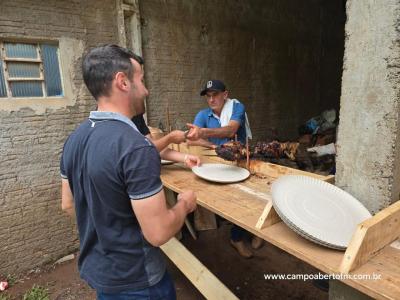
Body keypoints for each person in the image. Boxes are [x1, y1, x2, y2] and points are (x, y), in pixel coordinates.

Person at [60, 44, 197, 299]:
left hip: (102, 275)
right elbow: (158, 233)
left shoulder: (74, 140)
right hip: (139, 282)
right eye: (141, 80)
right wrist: (184, 204)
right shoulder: (136, 147)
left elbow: (68, 204)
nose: (146, 90)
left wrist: (107, 229)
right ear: (123, 82)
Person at [186, 79, 263, 258]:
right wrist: (215, 148)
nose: (211, 100)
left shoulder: (237, 107)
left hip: (242, 161)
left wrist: (203, 132)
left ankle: (255, 233)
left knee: (251, 199)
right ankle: (236, 239)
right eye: (208, 96)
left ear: (225, 95)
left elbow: (230, 130)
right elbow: (191, 139)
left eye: (215, 95)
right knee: (233, 202)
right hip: (219, 164)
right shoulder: (204, 115)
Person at [131, 113, 201, 167]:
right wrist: (169, 138)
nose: (146, 93)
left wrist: (186, 158)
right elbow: (142, 152)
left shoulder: (137, 117)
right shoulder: (122, 123)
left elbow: (153, 148)